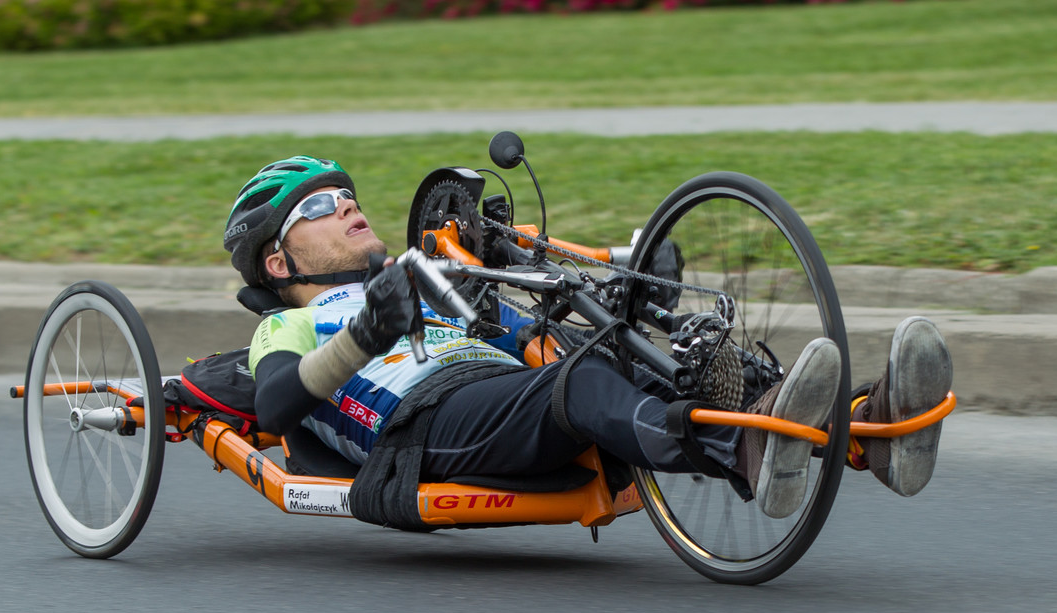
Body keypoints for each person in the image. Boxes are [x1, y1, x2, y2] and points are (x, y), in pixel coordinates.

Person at [223, 156, 953, 522]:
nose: (347, 204)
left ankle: (868, 426)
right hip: (425, 429)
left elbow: (545, 323)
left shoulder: (427, 282)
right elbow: (279, 403)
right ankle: (751, 448)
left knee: (632, 352)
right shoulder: (284, 326)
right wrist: (365, 331)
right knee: (582, 382)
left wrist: (638, 292)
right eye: (318, 206)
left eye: (348, 193)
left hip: (501, 395)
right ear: (279, 262)